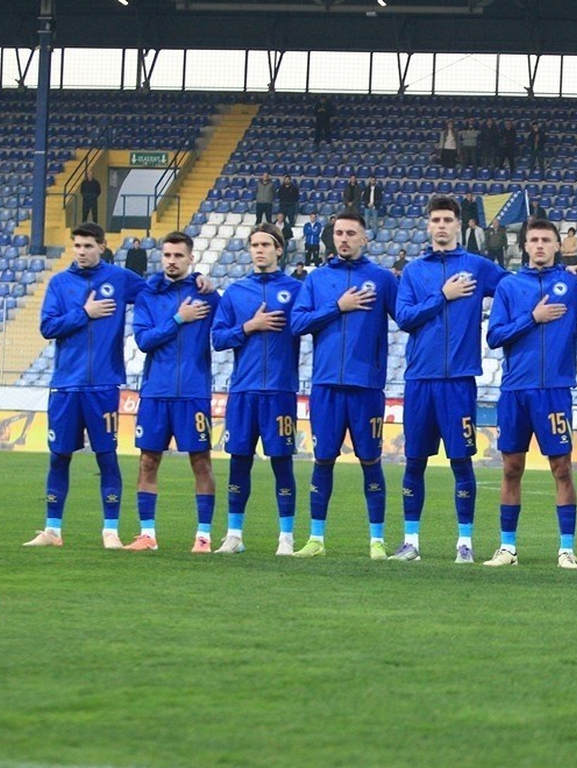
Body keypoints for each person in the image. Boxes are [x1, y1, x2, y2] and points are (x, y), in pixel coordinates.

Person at [391, 196, 509, 563]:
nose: (441, 225)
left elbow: (514, 289)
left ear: (459, 225)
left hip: (459, 381)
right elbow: (405, 318)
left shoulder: (477, 267)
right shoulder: (413, 271)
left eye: (447, 219)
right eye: (435, 219)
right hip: (420, 379)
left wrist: (568, 277)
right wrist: (443, 296)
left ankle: (465, 544)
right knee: (414, 462)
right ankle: (411, 542)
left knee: (461, 461)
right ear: (428, 225)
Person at [482, 219, 577, 568]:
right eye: (533, 240)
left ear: (557, 247)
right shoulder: (509, 286)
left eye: (545, 240)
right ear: (524, 246)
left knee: (562, 468)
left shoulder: (571, 281)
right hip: (515, 390)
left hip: (554, 391)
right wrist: (533, 318)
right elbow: (495, 336)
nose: (539, 245)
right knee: (511, 468)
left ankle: (566, 549)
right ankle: (508, 548)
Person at [25, 222, 146, 550]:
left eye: (88, 246)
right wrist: (84, 312)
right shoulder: (60, 283)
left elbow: (155, 290)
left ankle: (110, 531)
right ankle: (52, 530)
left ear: (102, 247)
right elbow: (48, 327)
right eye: (77, 246)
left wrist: (198, 283)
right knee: (59, 457)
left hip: (103, 385)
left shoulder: (119, 279)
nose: (81, 252)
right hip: (65, 385)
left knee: (106, 456)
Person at [290, 212, 399, 560]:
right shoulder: (317, 279)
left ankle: (377, 541)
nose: (344, 238)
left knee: (371, 460)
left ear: (365, 238)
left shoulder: (381, 279)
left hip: (366, 386)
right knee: (322, 460)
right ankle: (316, 538)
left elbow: (407, 316)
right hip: (325, 385)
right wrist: (337, 307)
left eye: (352, 233)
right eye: (339, 233)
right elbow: (297, 323)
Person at [124, 231, 219, 554]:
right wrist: (180, 318)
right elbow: (144, 341)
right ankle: (147, 535)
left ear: (191, 259)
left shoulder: (206, 294)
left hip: (194, 392)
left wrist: (211, 286)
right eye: (167, 255)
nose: (172, 261)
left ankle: (203, 537)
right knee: (148, 461)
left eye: (179, 255)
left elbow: (223, 330)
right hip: (155, 391)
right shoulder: (148, 295)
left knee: (201, 462)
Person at [210, 223, 302, 556]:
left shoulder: (295, 290)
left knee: (282, 462)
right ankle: (234, 534)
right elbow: (218, 339)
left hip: (280, 391)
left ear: (279, 249)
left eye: (266, 244)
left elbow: (309, 324)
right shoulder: (235, 292)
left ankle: (286, 538)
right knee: (239, 461)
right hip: (244, 391)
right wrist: (250, 326)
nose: (259, 249)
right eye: (254, 244)